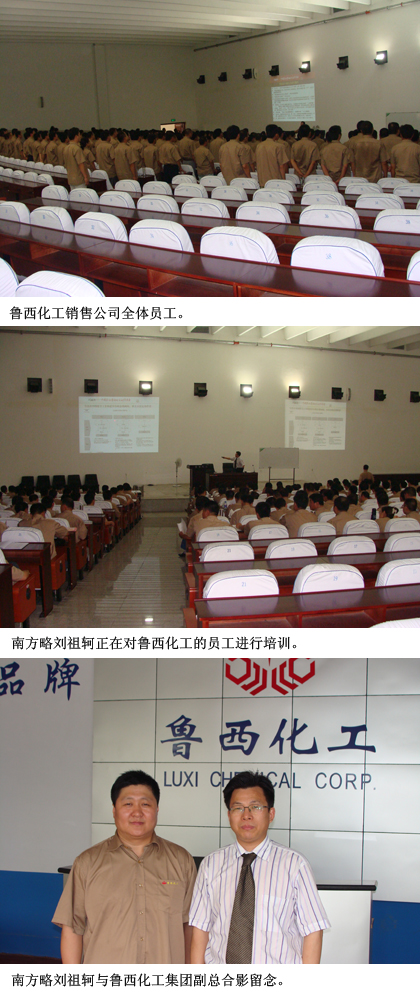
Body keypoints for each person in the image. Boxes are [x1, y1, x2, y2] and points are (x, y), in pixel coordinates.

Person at [52, 769, 197, 964]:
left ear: (156, 809)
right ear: (114, 810)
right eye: (128, 804)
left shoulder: (181, 861)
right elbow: (72, 927)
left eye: (145, 804)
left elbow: (190, 927)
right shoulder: (87, 863)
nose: (137, 812)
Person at [189, 771, 330, 964]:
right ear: (229, 815)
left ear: (271, 814)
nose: (246, 816)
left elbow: (313, 930)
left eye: (255, 807)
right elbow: (200, 929)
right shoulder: (210, 865)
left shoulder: (295, 865)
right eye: (238, 808)